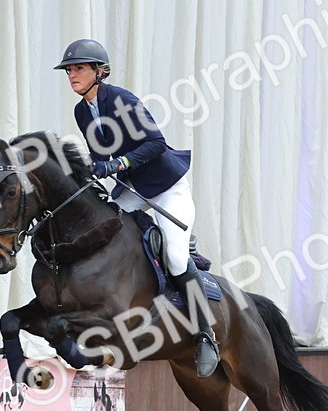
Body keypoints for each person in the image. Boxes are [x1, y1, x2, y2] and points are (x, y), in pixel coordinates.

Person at [53, 38, 220, 378]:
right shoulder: (81, 111)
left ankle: (206, 335)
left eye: (80, 68)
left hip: (167, 188)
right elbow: (101, 155)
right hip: (132, 190)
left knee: (175, 257)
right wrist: (93, 171)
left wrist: (116, 165)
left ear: (100, 72)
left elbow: (156, 144)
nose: (72, 74)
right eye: (69, 69)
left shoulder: (122, 101)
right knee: (101, 232)